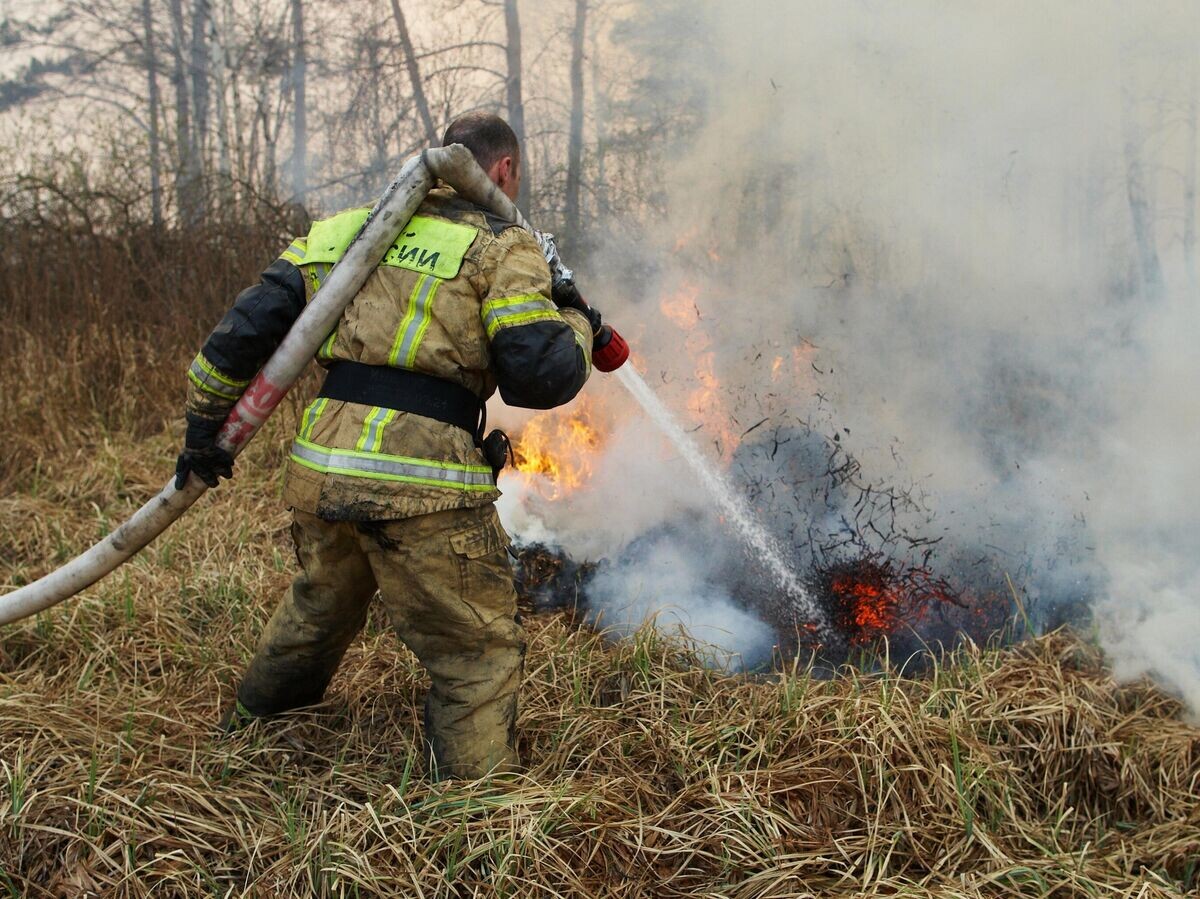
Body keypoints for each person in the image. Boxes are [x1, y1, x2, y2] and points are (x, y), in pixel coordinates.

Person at [176, 112, 597, 779]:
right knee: (476, 649)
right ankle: (477, 805)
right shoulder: (504, 246)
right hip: (424, 483)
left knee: (319, 608)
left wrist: (204, 428)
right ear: (504, 170)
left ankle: (247, 742)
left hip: (324, 469)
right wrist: (575, 317)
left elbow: (241, 333)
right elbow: (539, 377)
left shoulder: (347, 229)